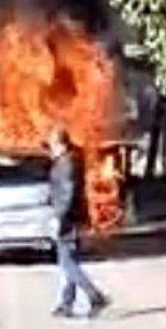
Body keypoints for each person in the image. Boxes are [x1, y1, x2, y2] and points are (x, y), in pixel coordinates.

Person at [47, 128, 110, 319]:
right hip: (70, 217)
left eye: (52, 144)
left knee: (68, 262)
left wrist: (59, 218)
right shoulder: (69, 160)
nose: (50, 148)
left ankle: (96, 296)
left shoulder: (66, 164)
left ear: (59, 144)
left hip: (67, 218)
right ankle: (67, 303)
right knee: (67, 260)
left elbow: (67, 194)